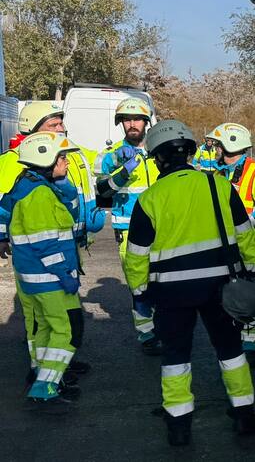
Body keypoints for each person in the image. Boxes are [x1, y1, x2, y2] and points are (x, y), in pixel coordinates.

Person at [123, 120, 255, 446]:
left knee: (175, 357)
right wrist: (253, 273)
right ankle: (244, 415)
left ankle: (178, 425)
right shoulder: (219, 187)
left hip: (171, 294)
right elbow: (247, 238)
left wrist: (140, 291)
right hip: (220, 289)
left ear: (157, 158)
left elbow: (136, 256)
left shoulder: (150, 198)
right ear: (190, 151)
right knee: (230, 351)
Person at [0, 101, 103, 382]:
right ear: (32, 131)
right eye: (53, 125)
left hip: (61, 250)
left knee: (56, 322)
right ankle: (44, 375)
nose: (61, 128)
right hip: (41, 261)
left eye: (61, 123)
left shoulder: (61, 156)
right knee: (45, 323)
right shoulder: (15, 164)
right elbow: (6, 206)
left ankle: (54, 368)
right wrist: (1, 237)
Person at [0, 133, 86, 407]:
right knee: (68, 331)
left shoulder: (27, 185)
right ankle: (46, 385)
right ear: (46, 160)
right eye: (62, 158)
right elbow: (46, 242)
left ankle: (43, 373)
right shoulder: (39, 194)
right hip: (50, 279)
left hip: (34, 279)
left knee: (47, 328)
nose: (67, 163)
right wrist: (64, 274)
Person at [95, 97, 161, 353]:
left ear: (146, 122)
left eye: (137, 119)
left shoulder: (159, 150)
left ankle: (166, 325)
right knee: (139, 285)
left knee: (163, 281)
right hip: (128, 230)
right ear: (121, 124)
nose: (132, 124)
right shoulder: (112, 157)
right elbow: (103, 190)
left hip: (162, 228)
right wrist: (120, 166)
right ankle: (147, 334)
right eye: (127, 120)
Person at [211, 122, 255, 354]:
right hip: (228, 245)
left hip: (252, 245)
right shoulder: (220, 172)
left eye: (218, 145)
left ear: (230, 145)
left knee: (248, 294)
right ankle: (240, 334)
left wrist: (243, 223)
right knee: (231, 294)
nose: (215, 150)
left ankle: (250, 344)